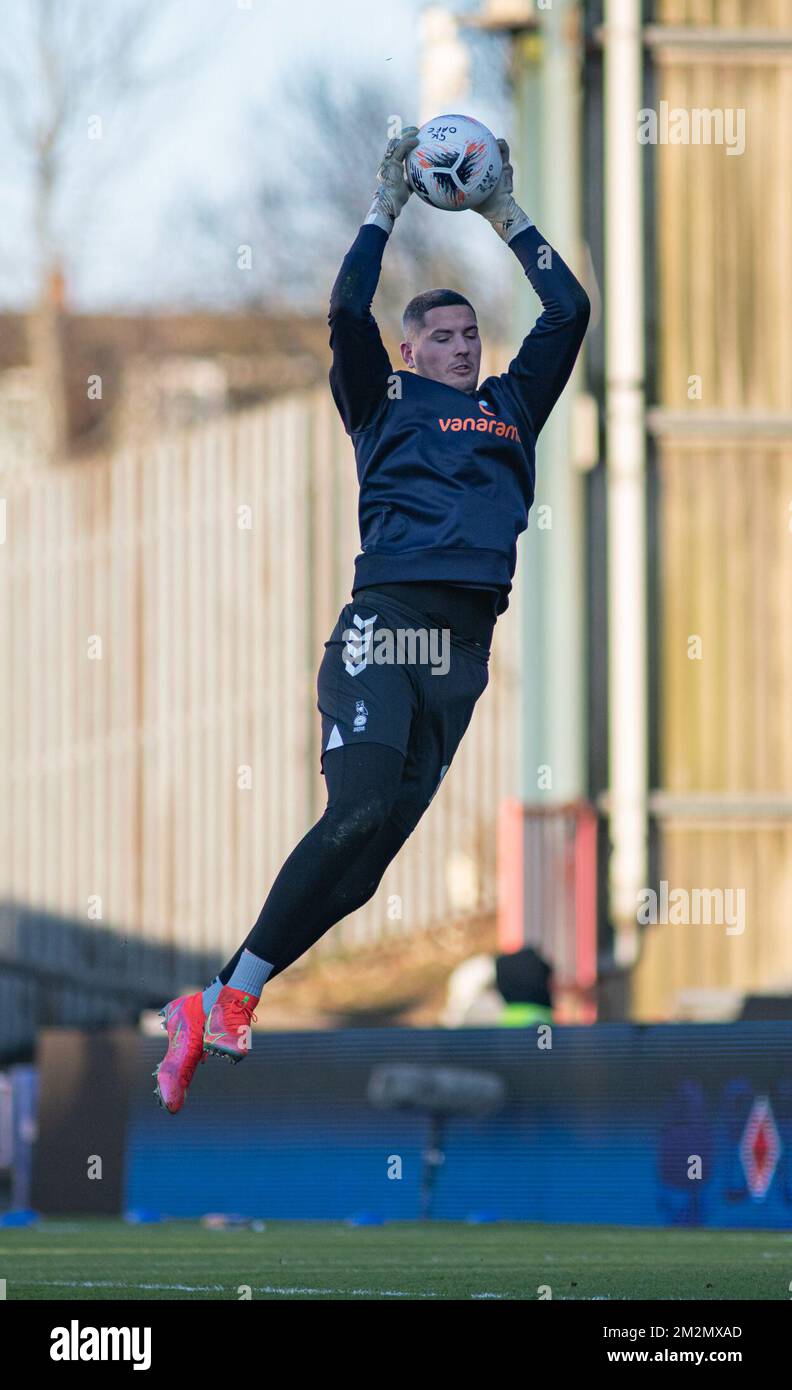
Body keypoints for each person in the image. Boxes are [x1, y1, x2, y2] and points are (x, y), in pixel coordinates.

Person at [154, 125, 590, 1112]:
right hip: (385, 627)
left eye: (472, 334)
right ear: (407, 349)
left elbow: (571, 306)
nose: (464, 345)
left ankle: (216, 999)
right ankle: (233, 998)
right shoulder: (381, 403)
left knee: (366, 862)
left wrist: (502, 214)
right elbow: (345, 305)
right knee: (351, 816)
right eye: (443, 334)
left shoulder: (510, 408)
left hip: (461, 652)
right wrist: (384, 209)